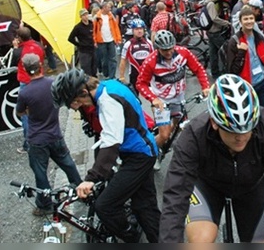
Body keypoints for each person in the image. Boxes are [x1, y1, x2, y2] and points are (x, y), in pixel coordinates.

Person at [159, 74, 264, 243]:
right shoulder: (194, 135)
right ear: (214, 123)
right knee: (200, 241)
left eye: (247, 129)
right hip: (208, 186)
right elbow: (175, 196)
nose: (241, 137)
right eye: (232, 131)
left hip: (250, 186)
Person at [51, 68, 160, 243]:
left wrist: (91, 178)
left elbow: (112, 140)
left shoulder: (108, 100)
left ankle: (130, 236)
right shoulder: (108, 86)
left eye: (74, 102)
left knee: (106, 205)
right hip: (140, 150)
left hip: (139, 155)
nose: (74, 107)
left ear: (84, 92)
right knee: (144, 205)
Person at [16, 53, 82, 216]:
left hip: (37, 139)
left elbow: (20, 113)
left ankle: (44, 203)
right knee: (67, 163)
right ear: (41, 66)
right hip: (55, 134)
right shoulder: (52, 84)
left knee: (40, 172)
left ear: (25, 69)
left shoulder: (25, 92)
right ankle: (81, 189)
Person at [136, 30, 211, 170]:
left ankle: (175, 147)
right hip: (161, 101)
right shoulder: (150, 62)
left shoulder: (183, 53)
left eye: (171, 48)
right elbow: (140, 83)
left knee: (180, 128)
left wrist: (206, 87)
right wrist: (153, 99)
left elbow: (199, 69)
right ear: (158, 49)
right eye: (164, 50)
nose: (169, 52)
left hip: (179, 98)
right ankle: (151, 154)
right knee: (164, 135)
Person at [225, 7, 264, 109]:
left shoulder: (259, 37)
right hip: (246, 86)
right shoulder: (235, 41)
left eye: (251, 18)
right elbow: (232, 70)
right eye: (245, 19)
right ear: (240, 21)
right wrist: (241, 52)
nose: (249, 21)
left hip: (263, 81)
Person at [14, 26, 45, 154]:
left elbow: (13, 61)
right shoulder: (38, 46)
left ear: (19, 38)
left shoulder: (19, 51)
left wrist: (15, 48)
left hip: (26, 83)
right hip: (40, 80)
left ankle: (28, 144)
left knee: (26, 116)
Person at [204, 0, 232, 79]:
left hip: (210, 31)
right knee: (225, 50)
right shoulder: (211, 4)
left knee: (213, 53)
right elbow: (214, 18)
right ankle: (227, 71)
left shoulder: (205, 3)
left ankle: (215, 72)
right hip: (215, 31)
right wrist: (226, 22)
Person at [118, 18, 153, 88]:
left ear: (144, 30)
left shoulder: (149, 43)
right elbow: (123, 61)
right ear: (133, 31)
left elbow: (154, 59)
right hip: (134, 76)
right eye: (136, 29)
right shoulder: (128, 44)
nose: (139, 31)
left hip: (148, 74)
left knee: (152, 97)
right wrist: (121, 76)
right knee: (134, 97)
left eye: (141, 29)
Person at [93, 1, 122, 79]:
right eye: (109, 7)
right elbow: (94, 30)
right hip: (101, 41)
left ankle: (112, 76)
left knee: (113, 59)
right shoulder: (97, 17)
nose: (110, 9)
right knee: (104, 59)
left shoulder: (111, 16)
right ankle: (106, 74)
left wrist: (118, 38)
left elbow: (116, 28)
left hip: (111, 40)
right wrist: (95, 41)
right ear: (104, 8)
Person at [68, 8, 96, 77]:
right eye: (83, 15)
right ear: (81, 17)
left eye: (86, 14)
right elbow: (70, 38)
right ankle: (87, 81)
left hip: (93, 48)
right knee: (86, 68)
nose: (86, 16)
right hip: (84, 51)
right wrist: (79, 45)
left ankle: (94, 80)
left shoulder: (91, 24)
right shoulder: (78, 27)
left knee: (94, 67)